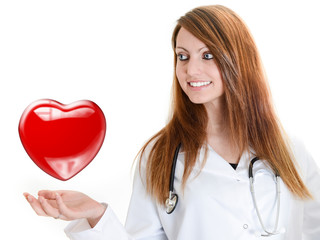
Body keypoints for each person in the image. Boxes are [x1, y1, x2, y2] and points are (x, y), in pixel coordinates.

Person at [23, 5, 320, 240]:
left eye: (207, 55)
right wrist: (95, 215)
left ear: (239, 59)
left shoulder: (289, 150)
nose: (191, 69)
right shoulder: (161, 155)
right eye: (182, 56)